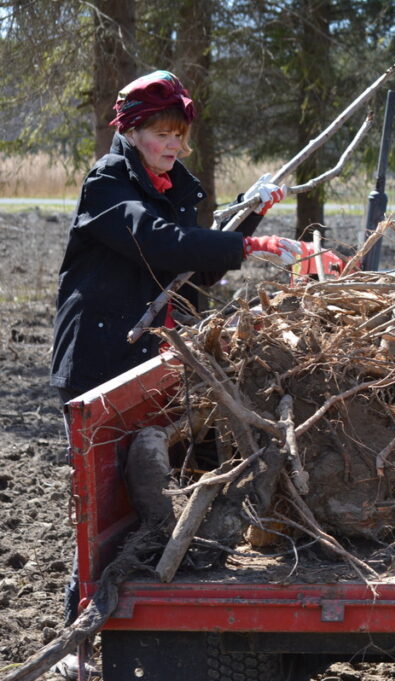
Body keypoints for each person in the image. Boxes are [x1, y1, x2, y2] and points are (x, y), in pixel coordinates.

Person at [47, 70, 308, 678]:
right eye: (162, 133)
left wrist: (248, 218)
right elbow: (159, 243)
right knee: (97, 509)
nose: (174, 145)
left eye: (180, 135)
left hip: (154, 362)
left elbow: (196, 268)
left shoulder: (173, 186)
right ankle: (76, 647)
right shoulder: (108, 185)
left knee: (142, 503)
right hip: (100, 363)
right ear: (132, 131)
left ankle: (132, 628)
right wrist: (250, 247)